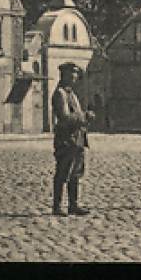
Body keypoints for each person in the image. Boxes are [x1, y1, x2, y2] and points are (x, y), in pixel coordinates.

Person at [51, 62, 95, 216]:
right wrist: (84, 116)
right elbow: (64, 117)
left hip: (77, 139)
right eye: (71, 76)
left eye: (75, 76)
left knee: (76, 172)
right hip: (66, 139)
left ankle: (73, 204)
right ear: (64, 76)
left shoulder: (72, 94)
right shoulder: (60, 94)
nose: (74, 79)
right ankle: (57, 207)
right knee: (63, 172)